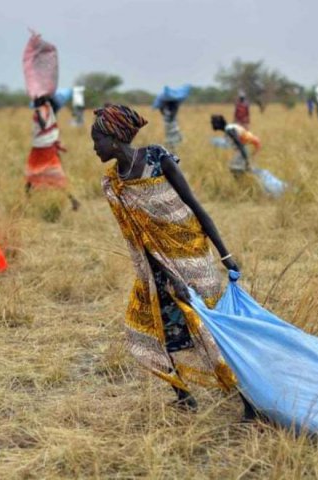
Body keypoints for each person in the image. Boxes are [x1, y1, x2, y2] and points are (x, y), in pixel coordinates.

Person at [91, 104, 255, 418]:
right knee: (160, 325)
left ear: (113, 138)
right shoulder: (114, 182)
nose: (94, 147)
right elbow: (136, 233)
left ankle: (248, 402)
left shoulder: (158, 159)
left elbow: (195, 207)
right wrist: (160, 271)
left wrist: (226, 255)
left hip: (190, 256)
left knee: (206, 327)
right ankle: (182, 395)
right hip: (154, 265)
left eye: (97, 140)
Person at [25, 95, 80, 209]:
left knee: (49, 177)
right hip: (42, 148)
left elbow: (43, 125)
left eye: (36, 98)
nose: (34, 100)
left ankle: (73, 200)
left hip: (45, 149)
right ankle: (73, 200)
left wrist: (37, 112)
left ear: (41, 100)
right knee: (34, 176)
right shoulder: (48, 108)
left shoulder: (43, 109)